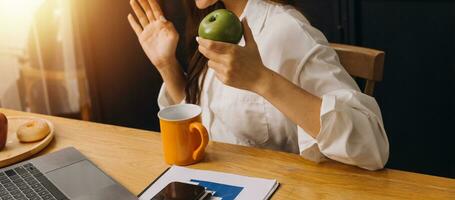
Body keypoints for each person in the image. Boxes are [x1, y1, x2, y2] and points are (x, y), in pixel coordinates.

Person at [127, 0, 389, 170]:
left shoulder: (287, 30)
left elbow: (372, 145)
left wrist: (262, 80)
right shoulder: (216, 23)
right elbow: (206, 125)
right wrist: (166, 65)